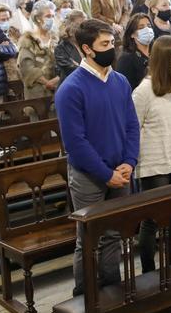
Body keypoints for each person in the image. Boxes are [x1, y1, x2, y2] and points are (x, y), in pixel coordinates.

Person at [55, 20, 139, 296]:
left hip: (120, 169)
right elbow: (75, 144)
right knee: (89, 239)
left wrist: (129, 162)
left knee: (114, 234)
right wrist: (107, 174)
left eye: (112, 43)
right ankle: (85, 296)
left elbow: (130, 125)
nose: (111, 49)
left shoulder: (120, 81)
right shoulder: (71, 89)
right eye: (105, 45)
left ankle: (112, 293)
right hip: (89, 175)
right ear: (86, 49)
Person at [131, 36, 171, 272]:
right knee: (153, 220)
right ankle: (148, 271)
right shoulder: (143, 91)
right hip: (155, 164)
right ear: (165, 60)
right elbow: (133, 127)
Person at [18, 0, 60, 99]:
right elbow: (27, 68)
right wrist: (47, 83)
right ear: (38, 18)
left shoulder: (57, 38)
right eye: (48, 16)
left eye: (53, 16)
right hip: (37, 92)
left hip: (58, 88)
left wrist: (57, 80)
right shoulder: (28, 40)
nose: (51, 19)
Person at [115, 13, 155, 90]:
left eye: (149, 26)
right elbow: (124, 89)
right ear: (132, 34)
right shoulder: (126, 59)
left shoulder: (157, 52)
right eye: (141, 27)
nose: (147, 29)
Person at [54, 9, 87, 83]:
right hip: (72, 86)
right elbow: (71, 70)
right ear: (69, 27)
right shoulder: (61, 48)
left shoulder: (88, 44)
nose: (85, 30)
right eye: (80, 26)